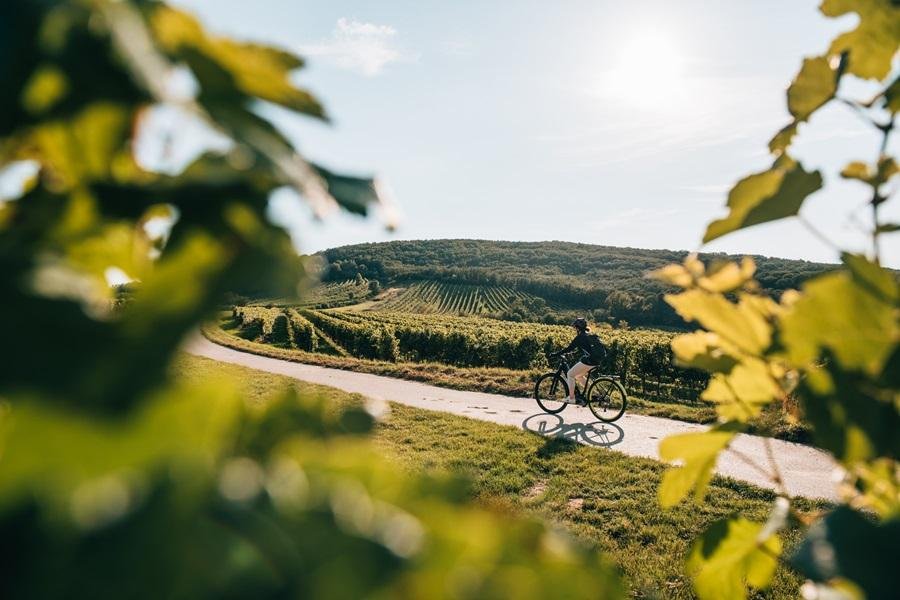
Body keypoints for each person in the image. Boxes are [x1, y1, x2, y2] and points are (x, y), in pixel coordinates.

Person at [550, 317, 604, 405]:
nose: (575, 329)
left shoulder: (580, 337)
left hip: (589, 361)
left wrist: (555, 354)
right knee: (578, 376)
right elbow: (582, 349)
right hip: (597, 360)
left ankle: (571, 398)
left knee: (570, 374)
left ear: (578, 328)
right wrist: (572, 354)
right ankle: (594, 393)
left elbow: (569, 348)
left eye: (575, 327)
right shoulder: (588, 335)